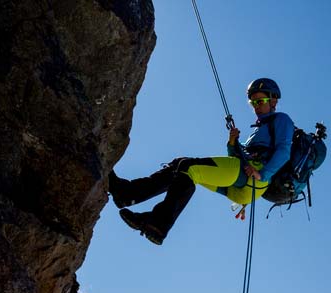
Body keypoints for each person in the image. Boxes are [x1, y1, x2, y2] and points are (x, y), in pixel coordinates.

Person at [108, 78, 295, 245]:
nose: (256, 106)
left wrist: (263, 174)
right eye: (252, 102)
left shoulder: (282, 120)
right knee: (180, 166)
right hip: (242, 188)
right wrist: (232, 143)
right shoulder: (258, 131)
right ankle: (127, 193)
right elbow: (234, 159)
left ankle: (158, 224)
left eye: (260, 101)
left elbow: (284, 151)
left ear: (273, 101)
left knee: (189, 168)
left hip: (254, 178)